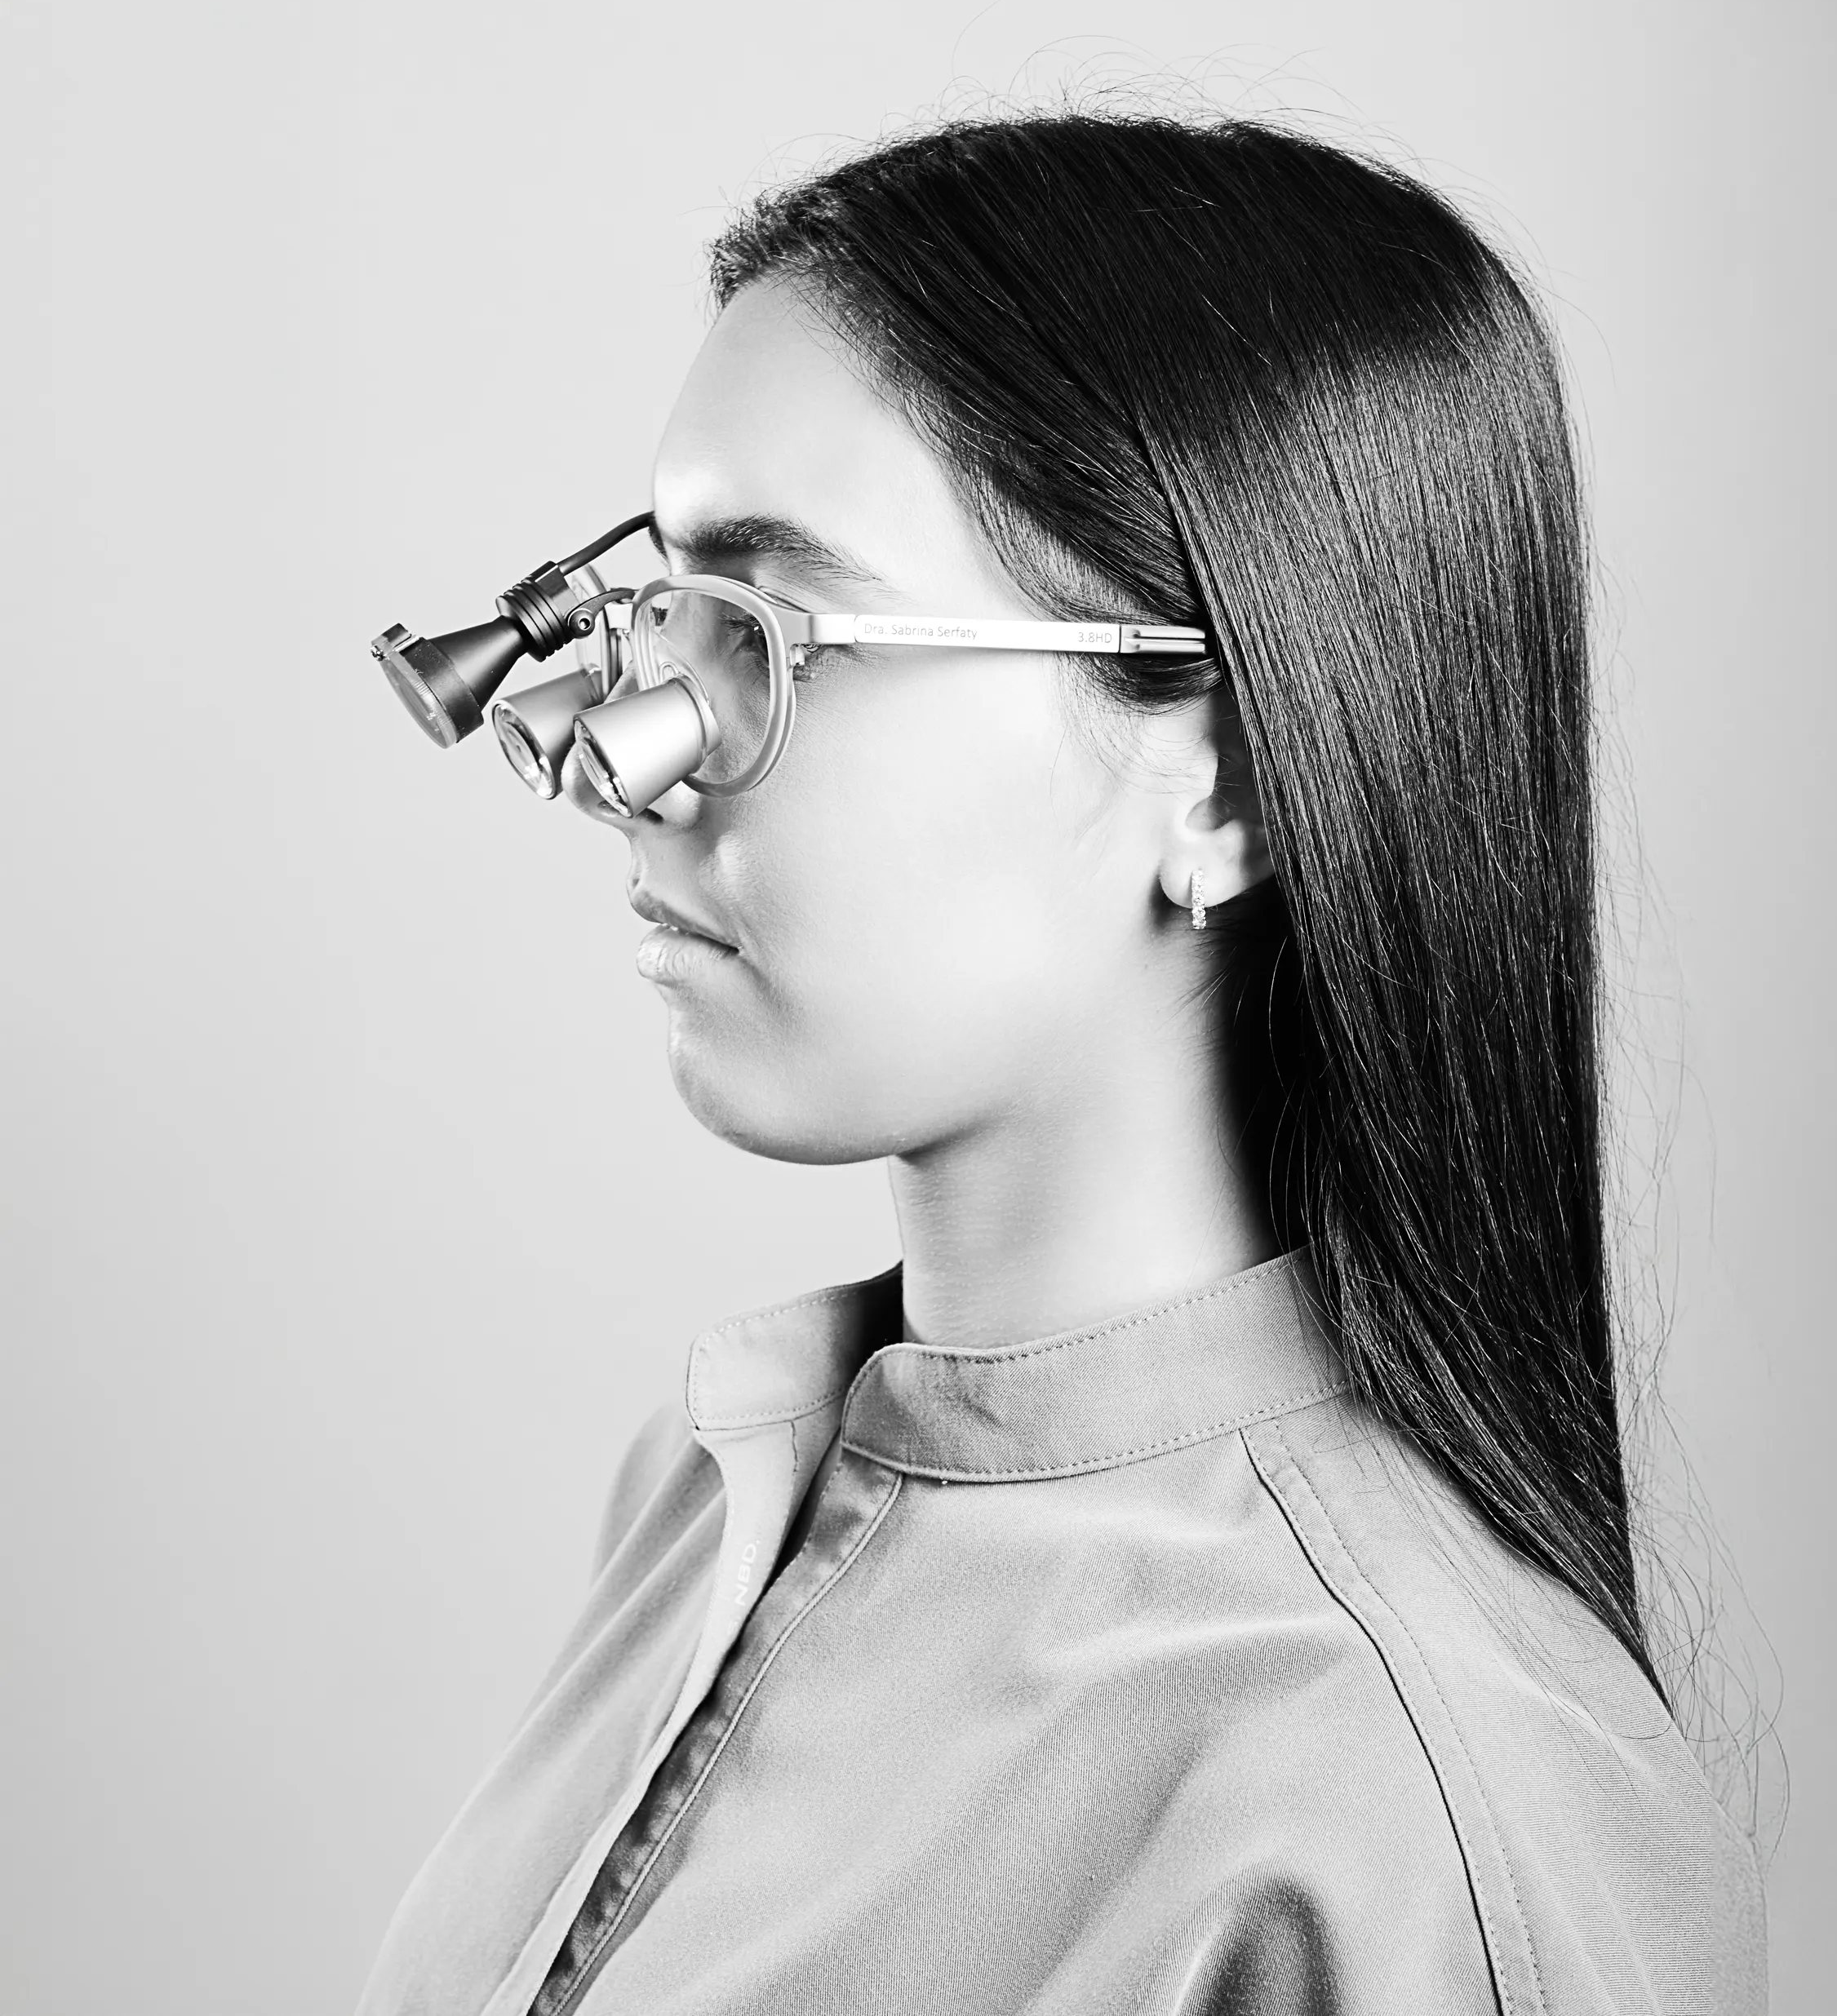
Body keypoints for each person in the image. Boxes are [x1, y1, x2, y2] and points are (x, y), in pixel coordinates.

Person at [357, 109, 1766, 2015]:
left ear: (1231, 779)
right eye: (650, 612)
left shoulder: (1403, 1806)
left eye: (768, 630)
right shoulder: (702, 1498)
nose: (636, 755)